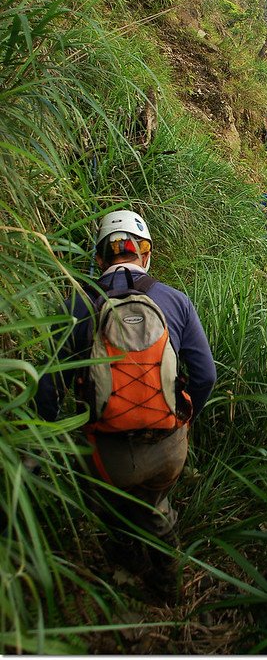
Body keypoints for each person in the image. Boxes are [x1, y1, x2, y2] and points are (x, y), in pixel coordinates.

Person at [35, 209, 217, 599]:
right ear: (146, 253)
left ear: (99, 257)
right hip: (169, 449)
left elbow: (48, 392)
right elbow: (206, 377)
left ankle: (124, 553)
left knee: (107, 499)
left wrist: (39, 441)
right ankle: (169, 583)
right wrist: (183, 421)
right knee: (154, 502)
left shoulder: (77, 305)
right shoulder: (176, 301)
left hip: (106, 456)